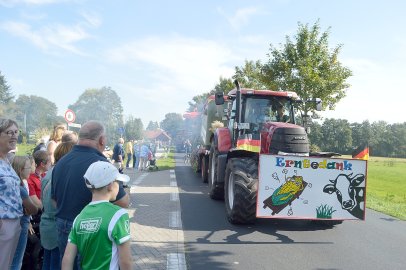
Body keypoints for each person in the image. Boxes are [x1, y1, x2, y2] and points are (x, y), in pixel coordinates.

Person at [51, 120, 129, 267]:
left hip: (63, 224)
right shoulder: (100, 163)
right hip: (91, 227)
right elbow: (123, 201)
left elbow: (54, 200)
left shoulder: (61, 162)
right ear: (102, 140)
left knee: (67, 262)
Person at [61, 161, 132, 270]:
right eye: (118, 182)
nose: (119, 186)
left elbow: (67, 258)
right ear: (110, 185)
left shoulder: (79, 218)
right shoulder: (118, 215)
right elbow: (125, 261)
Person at [41, 141, 75, 270]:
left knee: (47, 262)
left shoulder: (49, 173)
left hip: (47, 223)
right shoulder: (62, 174)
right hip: (56, 225)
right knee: (56, 263)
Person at [0, 118, 24, 268]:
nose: (14, 136)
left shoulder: (6, 160)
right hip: (3, 223)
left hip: (13, 222)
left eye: (16, 132)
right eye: (9, 132)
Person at [10, 156, 39, 270]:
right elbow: (33, 209)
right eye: (28, 167)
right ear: (21, 169)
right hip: (22, 224)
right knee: (17, 260)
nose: (31, 169)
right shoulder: (20, 188)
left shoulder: (13, 184)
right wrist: (31, 209)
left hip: (14, 224)